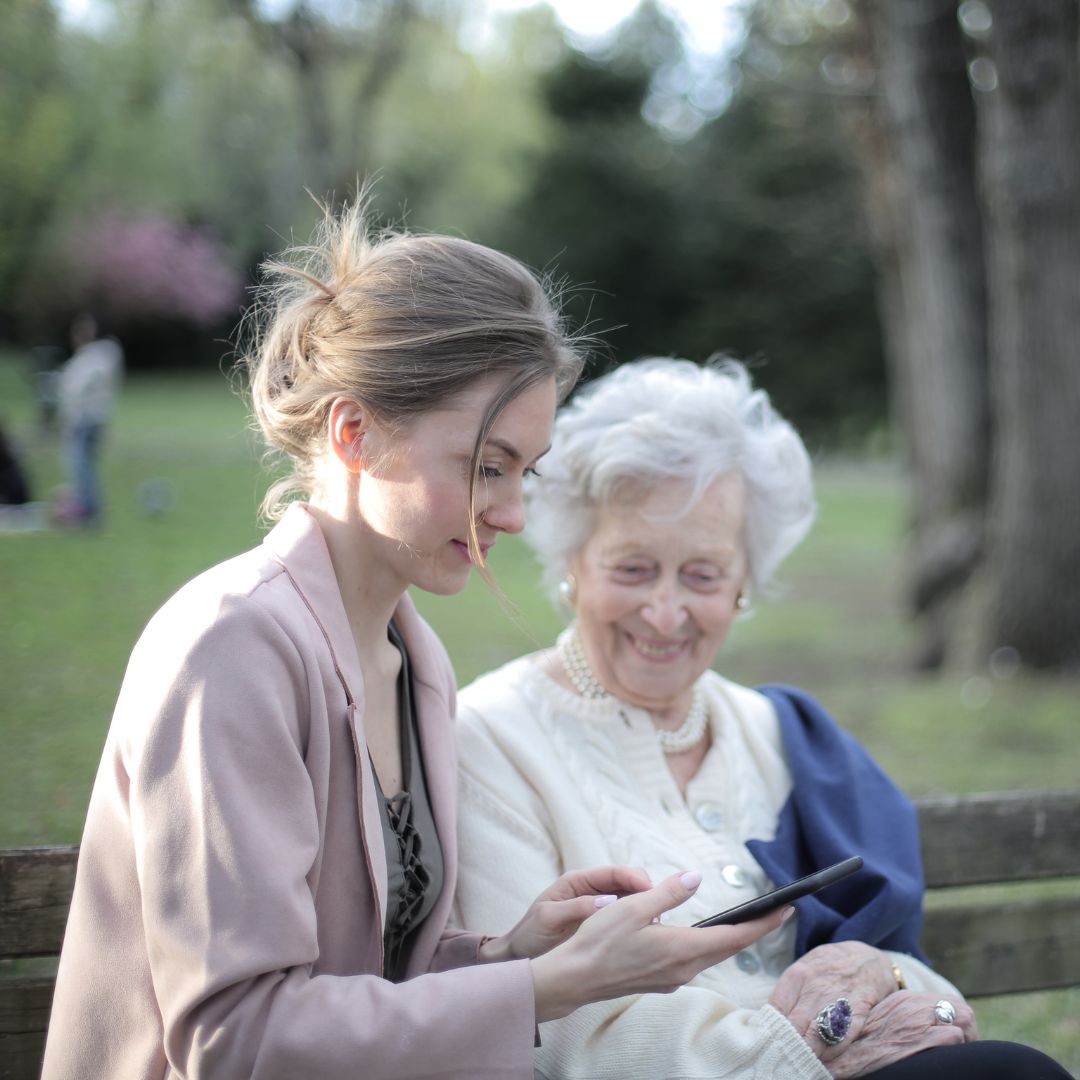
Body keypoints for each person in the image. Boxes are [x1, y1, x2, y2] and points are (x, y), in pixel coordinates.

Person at [40, 209, 790, 1080]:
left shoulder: (413, 658)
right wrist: (542, 989)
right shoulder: (232, 647)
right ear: (354, 433)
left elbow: (367, 978)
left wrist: (514, 953)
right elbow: (236, 1039)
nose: (511, 513)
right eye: (484, 466)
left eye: (525, 472)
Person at [452, 358, 1074, 1079]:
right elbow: (563, 1034)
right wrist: (804, 1049)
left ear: (744, 584)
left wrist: (885, 979)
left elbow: (920, 984)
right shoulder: (490, 740)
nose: (665, 611)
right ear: (573, 564)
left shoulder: (784, 735)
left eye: (703, 575)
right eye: (631, 569)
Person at [56, 311, 123, 525]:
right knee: (82, 467)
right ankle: (85, 508)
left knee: (81, 467)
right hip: (86, 420)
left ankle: (88, 511)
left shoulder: (100, 355)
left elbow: (77, 388)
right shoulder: (90, 357)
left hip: (87, 420)